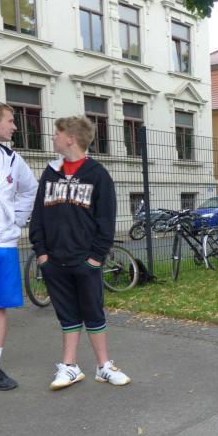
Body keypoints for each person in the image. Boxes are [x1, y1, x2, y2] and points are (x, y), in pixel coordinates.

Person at [29, 116, 131, 390]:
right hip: (54, 261)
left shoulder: (97, 174)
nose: (53, 137)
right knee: (67, 314)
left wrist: (95, 258)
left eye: (57, 133)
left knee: (93, 312)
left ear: (71, 138)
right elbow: (38, 216)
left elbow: (106, 221)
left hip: (86, 261)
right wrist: (42, 254)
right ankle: (70, 366)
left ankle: (103, 366)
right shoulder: (50, 173)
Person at [0, 101, 38, 391]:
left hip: (4, 246)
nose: (15, 126)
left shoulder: (11, 158)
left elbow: (30, 189)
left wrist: (17, 219)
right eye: (10, 120)